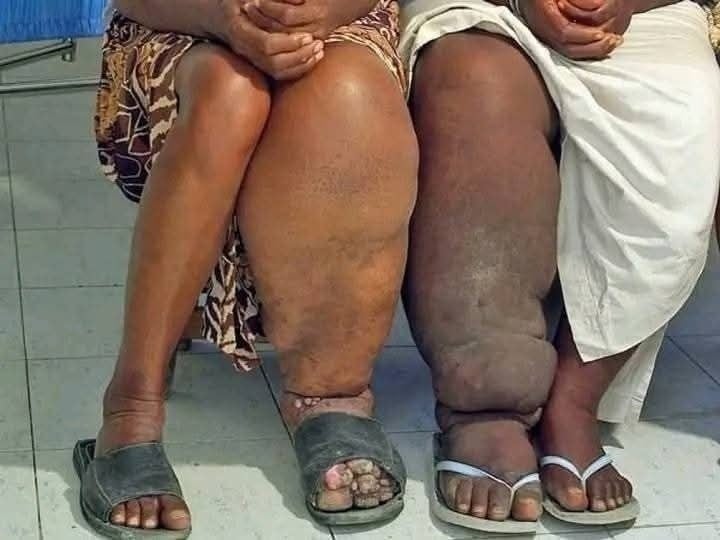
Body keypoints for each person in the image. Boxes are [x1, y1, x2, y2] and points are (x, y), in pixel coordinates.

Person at [72, 0, 418, 537]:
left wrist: (321, 14)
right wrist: (223, 19)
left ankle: (330, 392)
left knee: (346, 95)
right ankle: (131, 405)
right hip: (176, 17)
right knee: (228, 96)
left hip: (342, 16)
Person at [400, 0, 720, 533]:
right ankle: (484, 404)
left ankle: (575, 400)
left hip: (647, 13)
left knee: (681, 126)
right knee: (476, 84)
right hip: (484, 7)